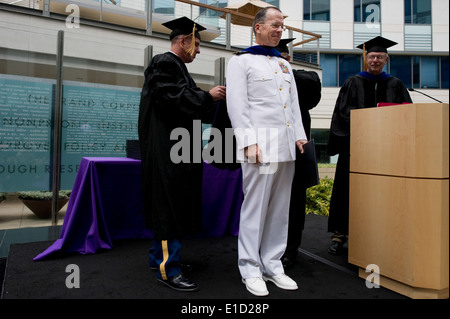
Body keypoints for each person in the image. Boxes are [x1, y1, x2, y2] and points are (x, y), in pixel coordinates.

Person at [138, 16, 226, 292]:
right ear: (183, 41)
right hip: (168, 151)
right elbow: (172, 100)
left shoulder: (177, 68)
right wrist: (207, 97)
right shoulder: (165, 63)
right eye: (196, 44)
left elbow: (188, 105)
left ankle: (160, 259)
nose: (198, 50)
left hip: (177, 149)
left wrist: (213, 102)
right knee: (168, 208)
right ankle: (169, 271)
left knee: (170, 206)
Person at [226, 7, 308, 297]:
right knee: (255, 209)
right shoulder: (241, 62)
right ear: (257, 27)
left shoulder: (283, 65)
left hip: (285, 147)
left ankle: (273, 265)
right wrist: (247, 141)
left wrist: (298, 135)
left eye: (282, 27)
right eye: (274, 25)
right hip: (259, 148)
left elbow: (293, 104)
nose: (279, 30)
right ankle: (250, 268)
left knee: (279, 210)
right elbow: (237, 105)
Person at [327, 36, 412, 255]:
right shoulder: (353, 82)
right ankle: (340, 234)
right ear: (366, 58)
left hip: (386, 151)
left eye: (379, 57)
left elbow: (408, 115)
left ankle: (378, 233)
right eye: (371, 56)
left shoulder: (396, 84)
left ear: (386, 59)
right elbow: (341, 114)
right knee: (348, 190)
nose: (375, 60)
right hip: (355, 149)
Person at [275, 38, 322, 268]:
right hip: (271, 152)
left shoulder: (301, 79)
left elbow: (312, 86)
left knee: (294, 202)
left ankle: (290, 250)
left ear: (288, 58)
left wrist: (283, 72)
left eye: (280, 57)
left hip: (296, 153)